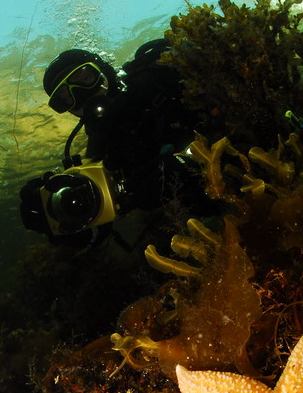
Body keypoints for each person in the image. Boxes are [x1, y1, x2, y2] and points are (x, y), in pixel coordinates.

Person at [20, 39, 209, 247]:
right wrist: (67, 218)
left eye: (85, 78)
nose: (82, 95)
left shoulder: (155, 79)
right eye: (66, 98)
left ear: (103, 71)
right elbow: (104, 210)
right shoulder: (99, 155)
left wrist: (182, 163)